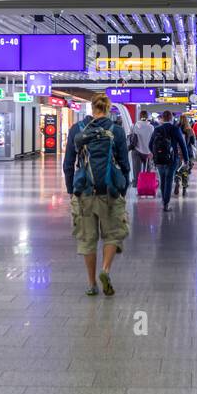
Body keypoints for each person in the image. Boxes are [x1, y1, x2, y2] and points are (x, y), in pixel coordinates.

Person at [64, 93, 130, 296]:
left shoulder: (76, 129)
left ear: (91, 108)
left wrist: (71, 191)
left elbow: (68, 164)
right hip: (109, 191)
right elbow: (125, 165)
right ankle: (106, 270)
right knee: (113, 234)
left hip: (84, 191)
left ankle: (92, 284)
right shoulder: (116, 131)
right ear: (108, 109)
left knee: (87, 239)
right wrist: (123, 189)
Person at [149, 109, 189, 211]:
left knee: (162, 180)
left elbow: (150, 145)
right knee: (169, 180)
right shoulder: (175, 129)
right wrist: (186, 159)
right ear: (171, 118)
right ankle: (166, 204)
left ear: (162, 118)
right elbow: (182, 145)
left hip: (159, 160)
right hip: (172, 159)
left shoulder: (157, 129)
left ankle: (164, 201)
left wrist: (156, 154)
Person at [129, 110, 155, 186]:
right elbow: (152, 141)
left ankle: (137, 186)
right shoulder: (151, 127)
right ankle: (147, 186)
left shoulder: (134, 126)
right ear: (148, 117)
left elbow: (131, 137)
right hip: (148, 152)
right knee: (148, 171)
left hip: (136, 150)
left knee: (136, 171)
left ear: (140, 116)